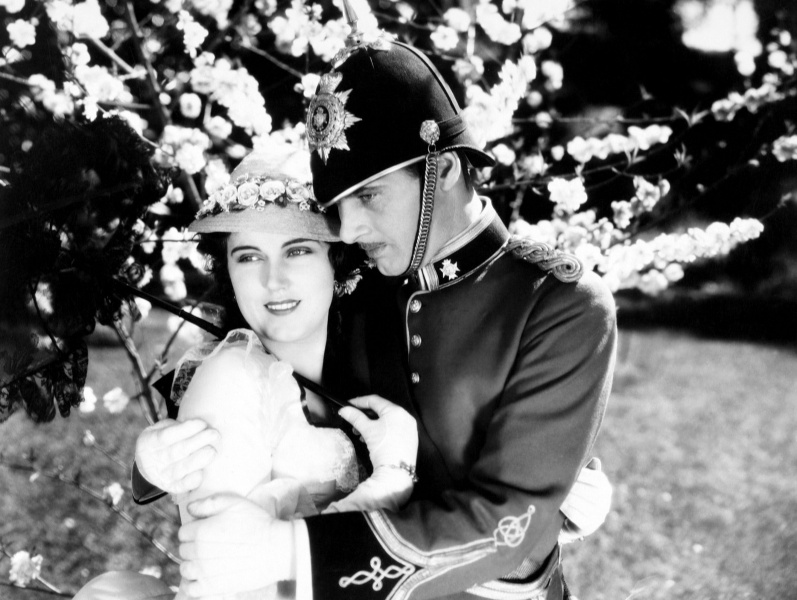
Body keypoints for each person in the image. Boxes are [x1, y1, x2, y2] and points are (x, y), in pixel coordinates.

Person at [173, 6, 617, 600]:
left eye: (370, 196)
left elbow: (511, 526)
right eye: (338, 206)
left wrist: (295, 553)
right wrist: (158, 462)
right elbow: (260, 368)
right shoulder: (358, 285)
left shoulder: (560, 304)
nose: (348, 229)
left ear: (447, 169)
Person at [74, 149, 421, 600]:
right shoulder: (231, 376)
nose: (274, 280)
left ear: (335, 261)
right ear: (229, 272)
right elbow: (233, 582)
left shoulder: (375, 353)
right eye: (249, 257)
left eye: (297, 250)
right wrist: (390, 483)